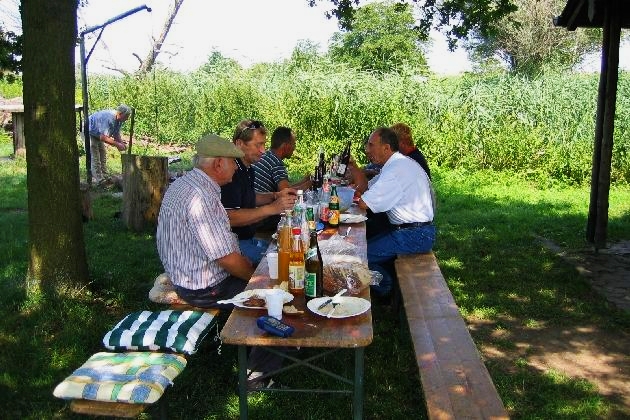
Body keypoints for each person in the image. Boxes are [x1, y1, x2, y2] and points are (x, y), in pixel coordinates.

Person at [156, 133, 284, 389]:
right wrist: (259, 281)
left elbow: (224, 230)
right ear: (217, 165)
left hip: (186, 273)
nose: (236, 169)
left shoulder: (188, 184)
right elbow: (228, 261)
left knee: (269, 269)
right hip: (201, 287)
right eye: (232, 163)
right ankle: (257, 375)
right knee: (278, 297)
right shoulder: (203, 198)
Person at [355, 127, 436, 297]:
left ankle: (386, 288)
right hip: (413, 232)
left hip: (413, 236)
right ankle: (385, 285)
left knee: (358, 258)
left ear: (386, 147)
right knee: (362, 245)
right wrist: (354, 168)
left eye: (371, 145)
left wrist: (355, 173)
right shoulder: (396, 164)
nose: (367, 150)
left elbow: (363, 203)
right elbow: (366, 188)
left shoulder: (395, 170)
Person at [221, 119, 296, 266]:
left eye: (264, 144)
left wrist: (275, 195)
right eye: (258, 145)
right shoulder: (231, 172)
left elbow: (250, 198)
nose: (263, 150)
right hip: (233, 245)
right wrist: (272, 208)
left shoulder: (248, 167)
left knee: (287, 247)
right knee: (283, 262)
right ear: (239, 144)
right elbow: (230, 218)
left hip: (248, 238)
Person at [252, 126, 311, 230]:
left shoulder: (266, 156)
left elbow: (285, 189)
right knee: (302, 216)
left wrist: (304, 181)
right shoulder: (276, 164)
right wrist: (310, 183)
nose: (294, 148)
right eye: (293, 144)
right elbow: (288, 194)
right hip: (260, 219)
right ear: (285, 146)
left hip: (253, 210)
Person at [87, 104, 131, 183]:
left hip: (98, 134)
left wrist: (121, 144)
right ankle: (100, 181)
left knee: (103, 154)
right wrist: (117, 144)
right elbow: (103, 137)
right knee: (95, 155)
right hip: (88, 131)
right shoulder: (109, 118)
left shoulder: (119, 120)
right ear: (120, 114)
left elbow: (116, 134)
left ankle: (105, 176)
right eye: (126, 116)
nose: (127, 119)